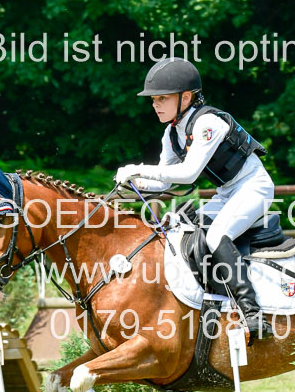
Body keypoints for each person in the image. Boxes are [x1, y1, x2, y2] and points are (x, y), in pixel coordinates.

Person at [115, 58, 276, 340]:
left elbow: (188, 174)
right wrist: (133, 183)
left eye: (162, 98)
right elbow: (164, 180)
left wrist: (138, 168)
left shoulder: (207, 123)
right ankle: (211, 300)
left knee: (215, 237)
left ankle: (253, 313)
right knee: (183, 230)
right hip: (227, 193)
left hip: (254, 188)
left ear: (186, 97)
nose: (155, 105)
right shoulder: (172, 133)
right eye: (154, 100)